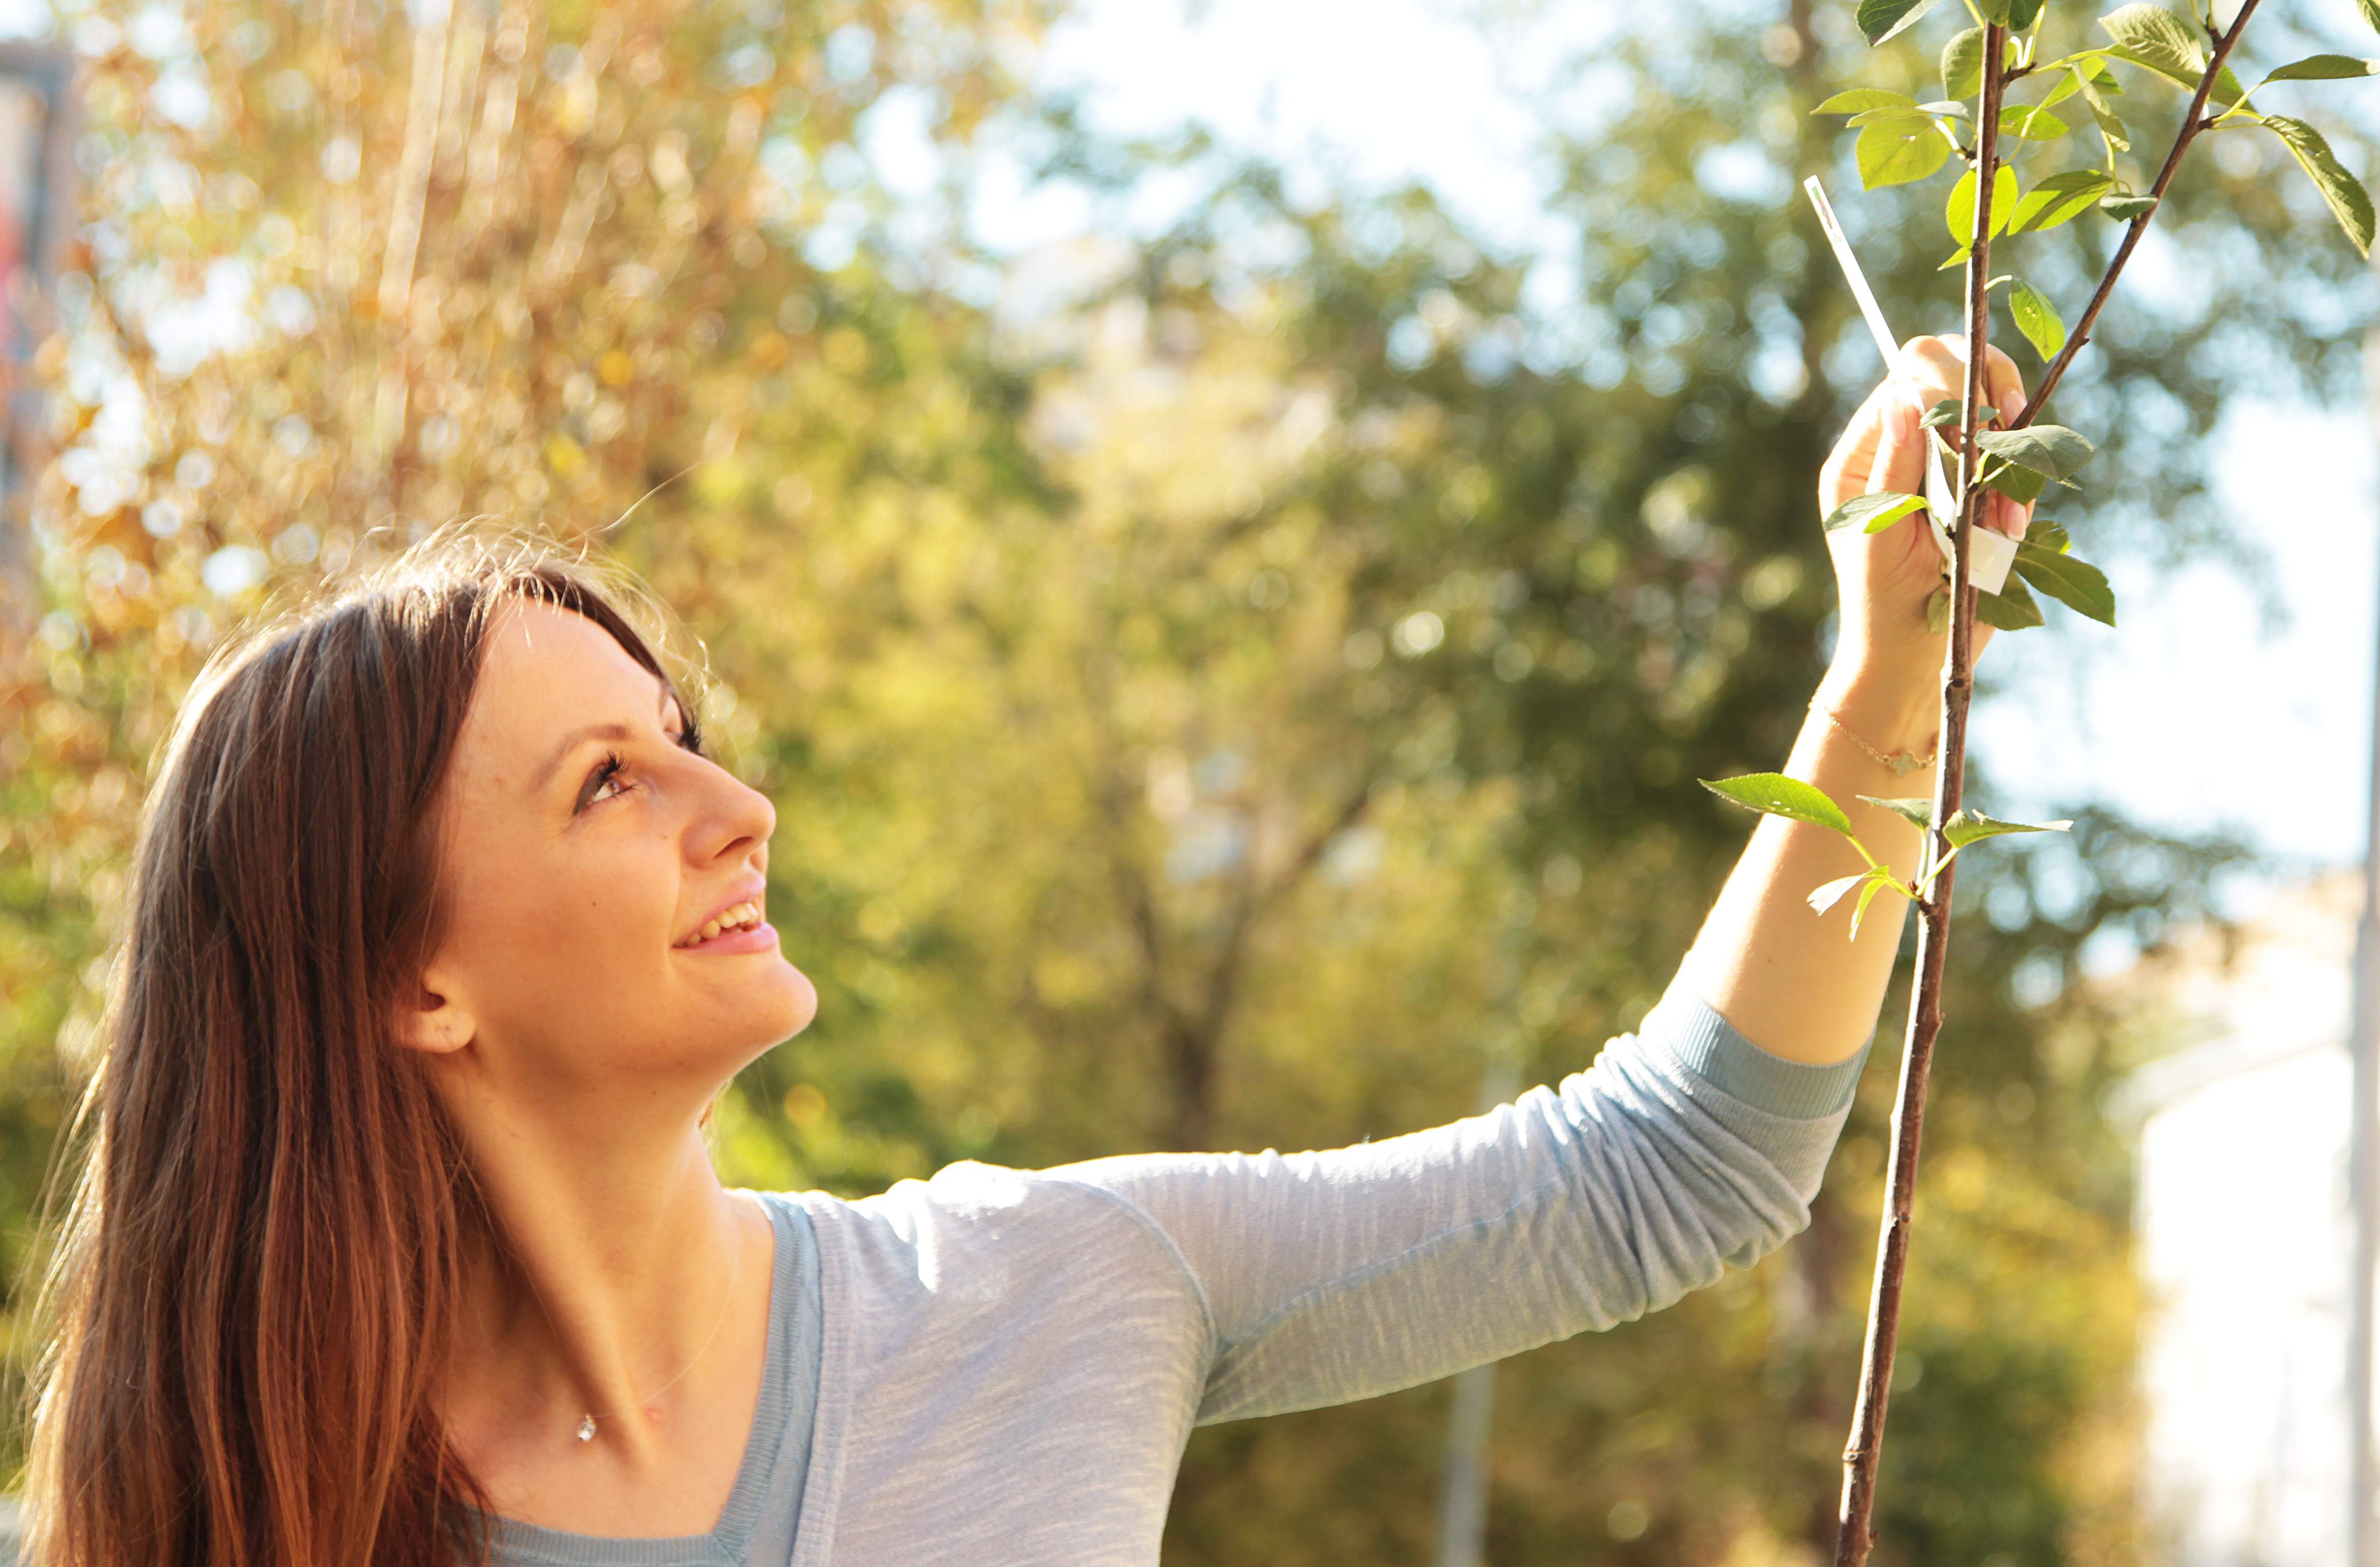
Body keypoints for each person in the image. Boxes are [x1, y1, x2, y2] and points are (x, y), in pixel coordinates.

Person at [19, 336, 2030, 1567]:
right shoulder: (211, 1524)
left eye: (690, 744)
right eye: (604, 786)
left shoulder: (1057, 1297)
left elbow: (1668, 1173)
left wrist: (1879, 688)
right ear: (411, 982)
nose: (737, 808)